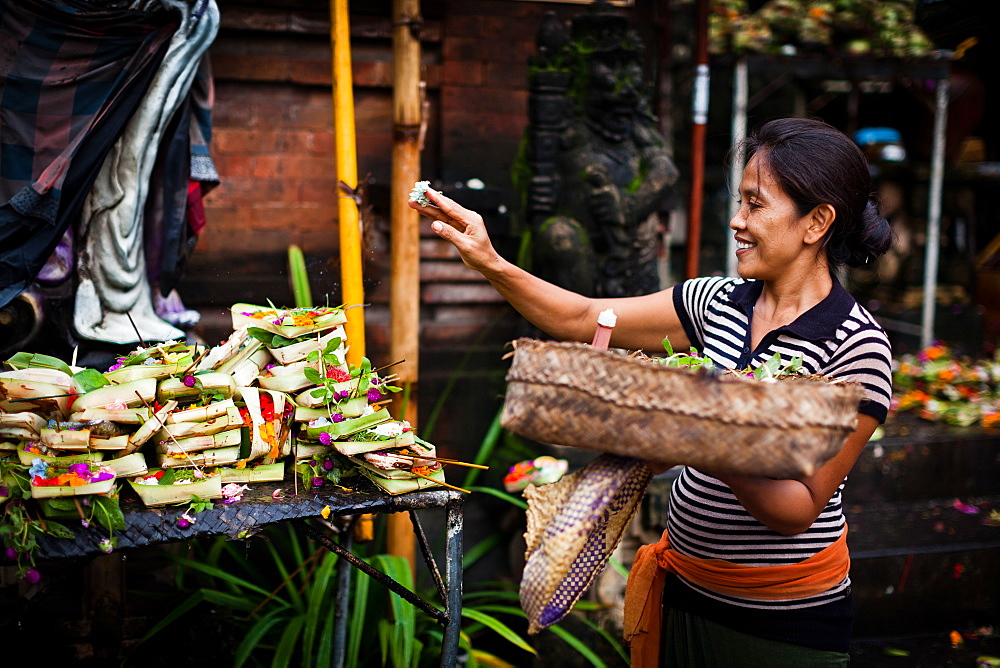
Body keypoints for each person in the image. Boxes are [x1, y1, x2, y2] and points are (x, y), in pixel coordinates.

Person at [409, 117, 893, 667]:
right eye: (740, 201)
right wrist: (491, 263)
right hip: (685, 591)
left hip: (781, 621)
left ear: (817, 222)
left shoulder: (858, 348)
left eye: (756, 205)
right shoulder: (715, 303)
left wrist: (698, 430)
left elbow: (796, 511)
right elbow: (584, 316)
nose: (737, 221)